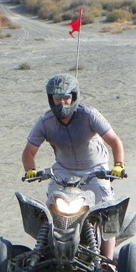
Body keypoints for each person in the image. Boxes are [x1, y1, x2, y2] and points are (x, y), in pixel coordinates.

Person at [21, 73, 126, 261]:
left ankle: (107, 260)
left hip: (95, 169)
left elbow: (114, 141)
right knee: (50, 207)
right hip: (63, 170)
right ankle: (46, 251)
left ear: (74, 97)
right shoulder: (45, 122)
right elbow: (29, 151)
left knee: (106, 207)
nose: (62, 103)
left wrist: (118, 166)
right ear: (50, 99)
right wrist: (30, 170)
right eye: (57, 98)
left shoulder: (89, 115)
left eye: (66, 98)